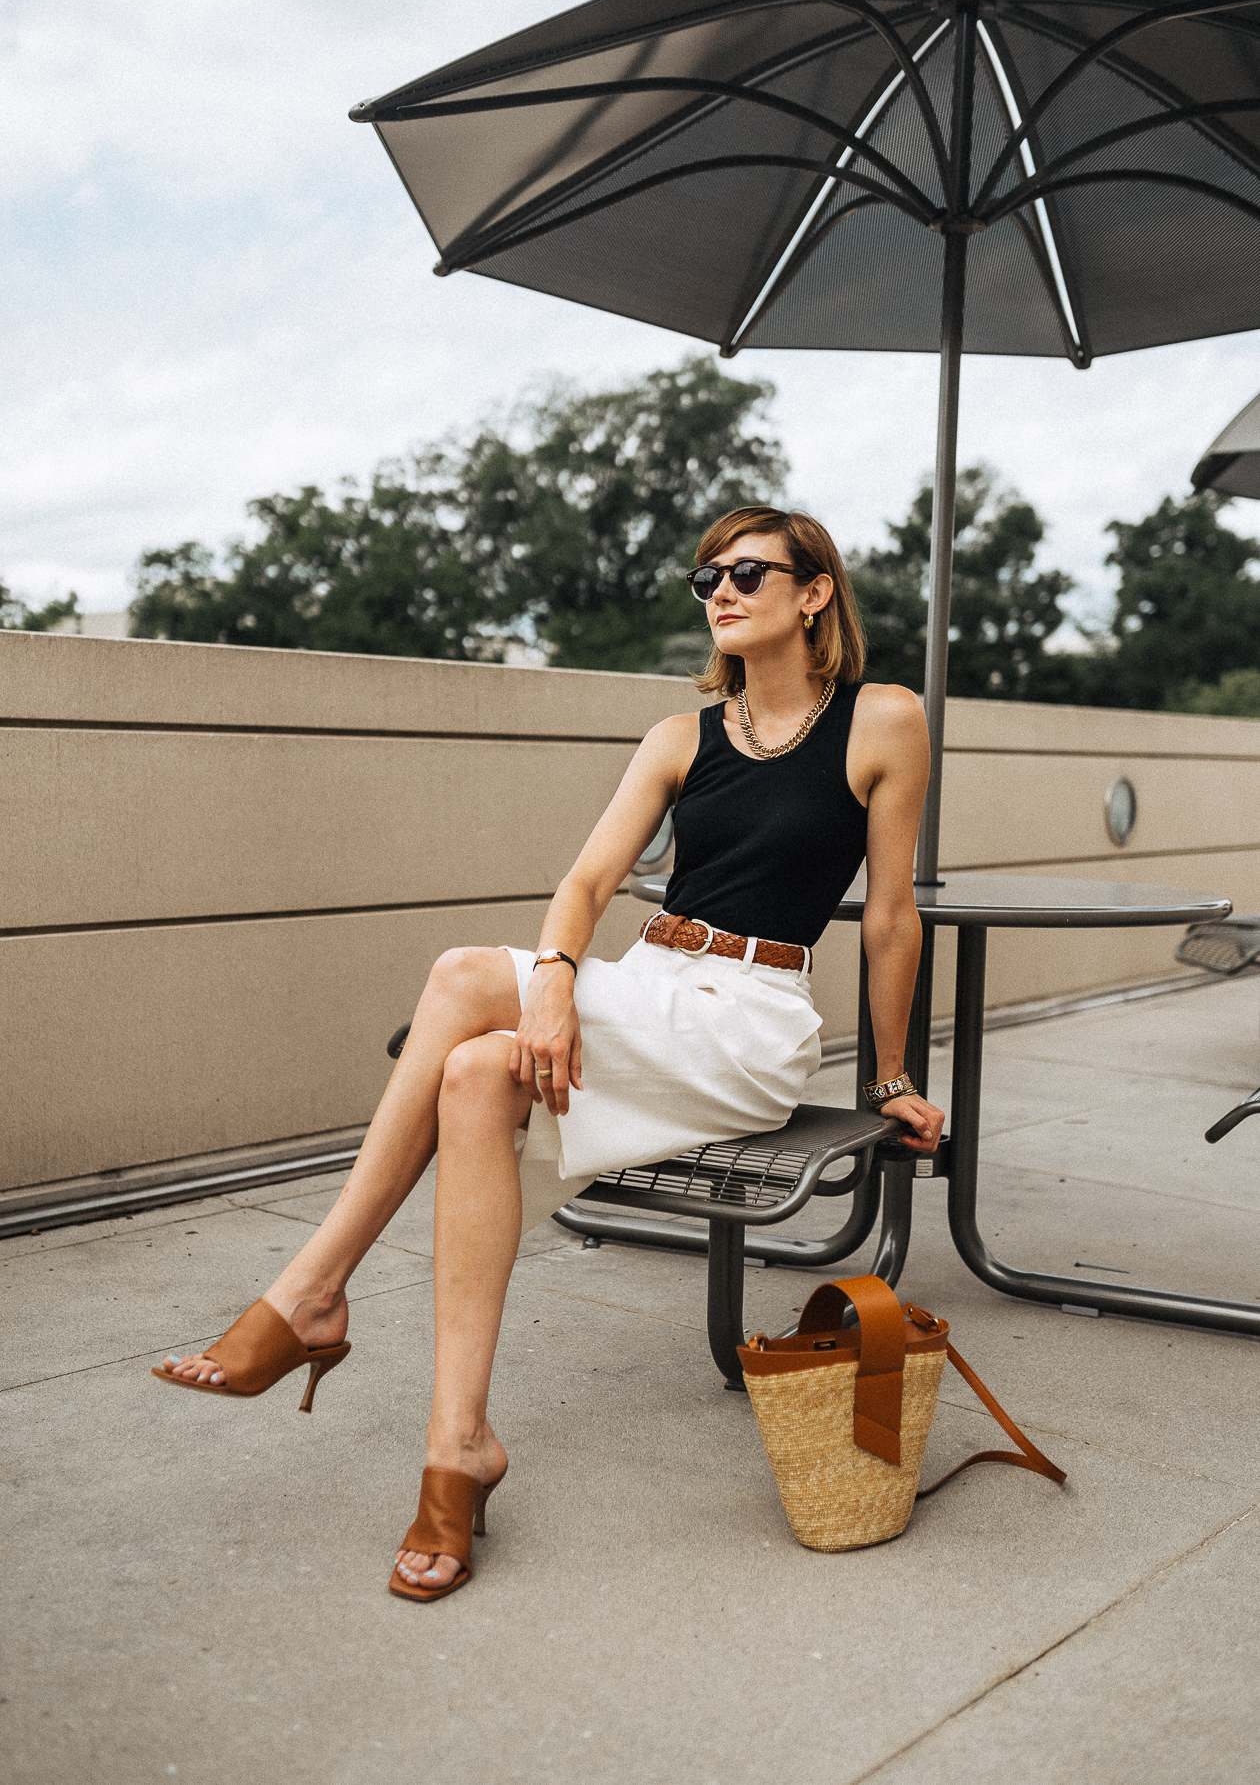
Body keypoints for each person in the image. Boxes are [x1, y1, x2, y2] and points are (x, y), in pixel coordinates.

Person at [153, 504, 945, 1601]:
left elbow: (896, 916)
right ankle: (457, 1449)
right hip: (650, 984)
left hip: (755, 1016)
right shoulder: (681, 737)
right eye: (704, 574)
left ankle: (312, 1291)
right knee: (476, 1072)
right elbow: (583, 886)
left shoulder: (883, 721)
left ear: (814, 593)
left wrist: (893, 1081)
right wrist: (563, 982)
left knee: (457, 975)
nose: (719, 590)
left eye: (748, 572)